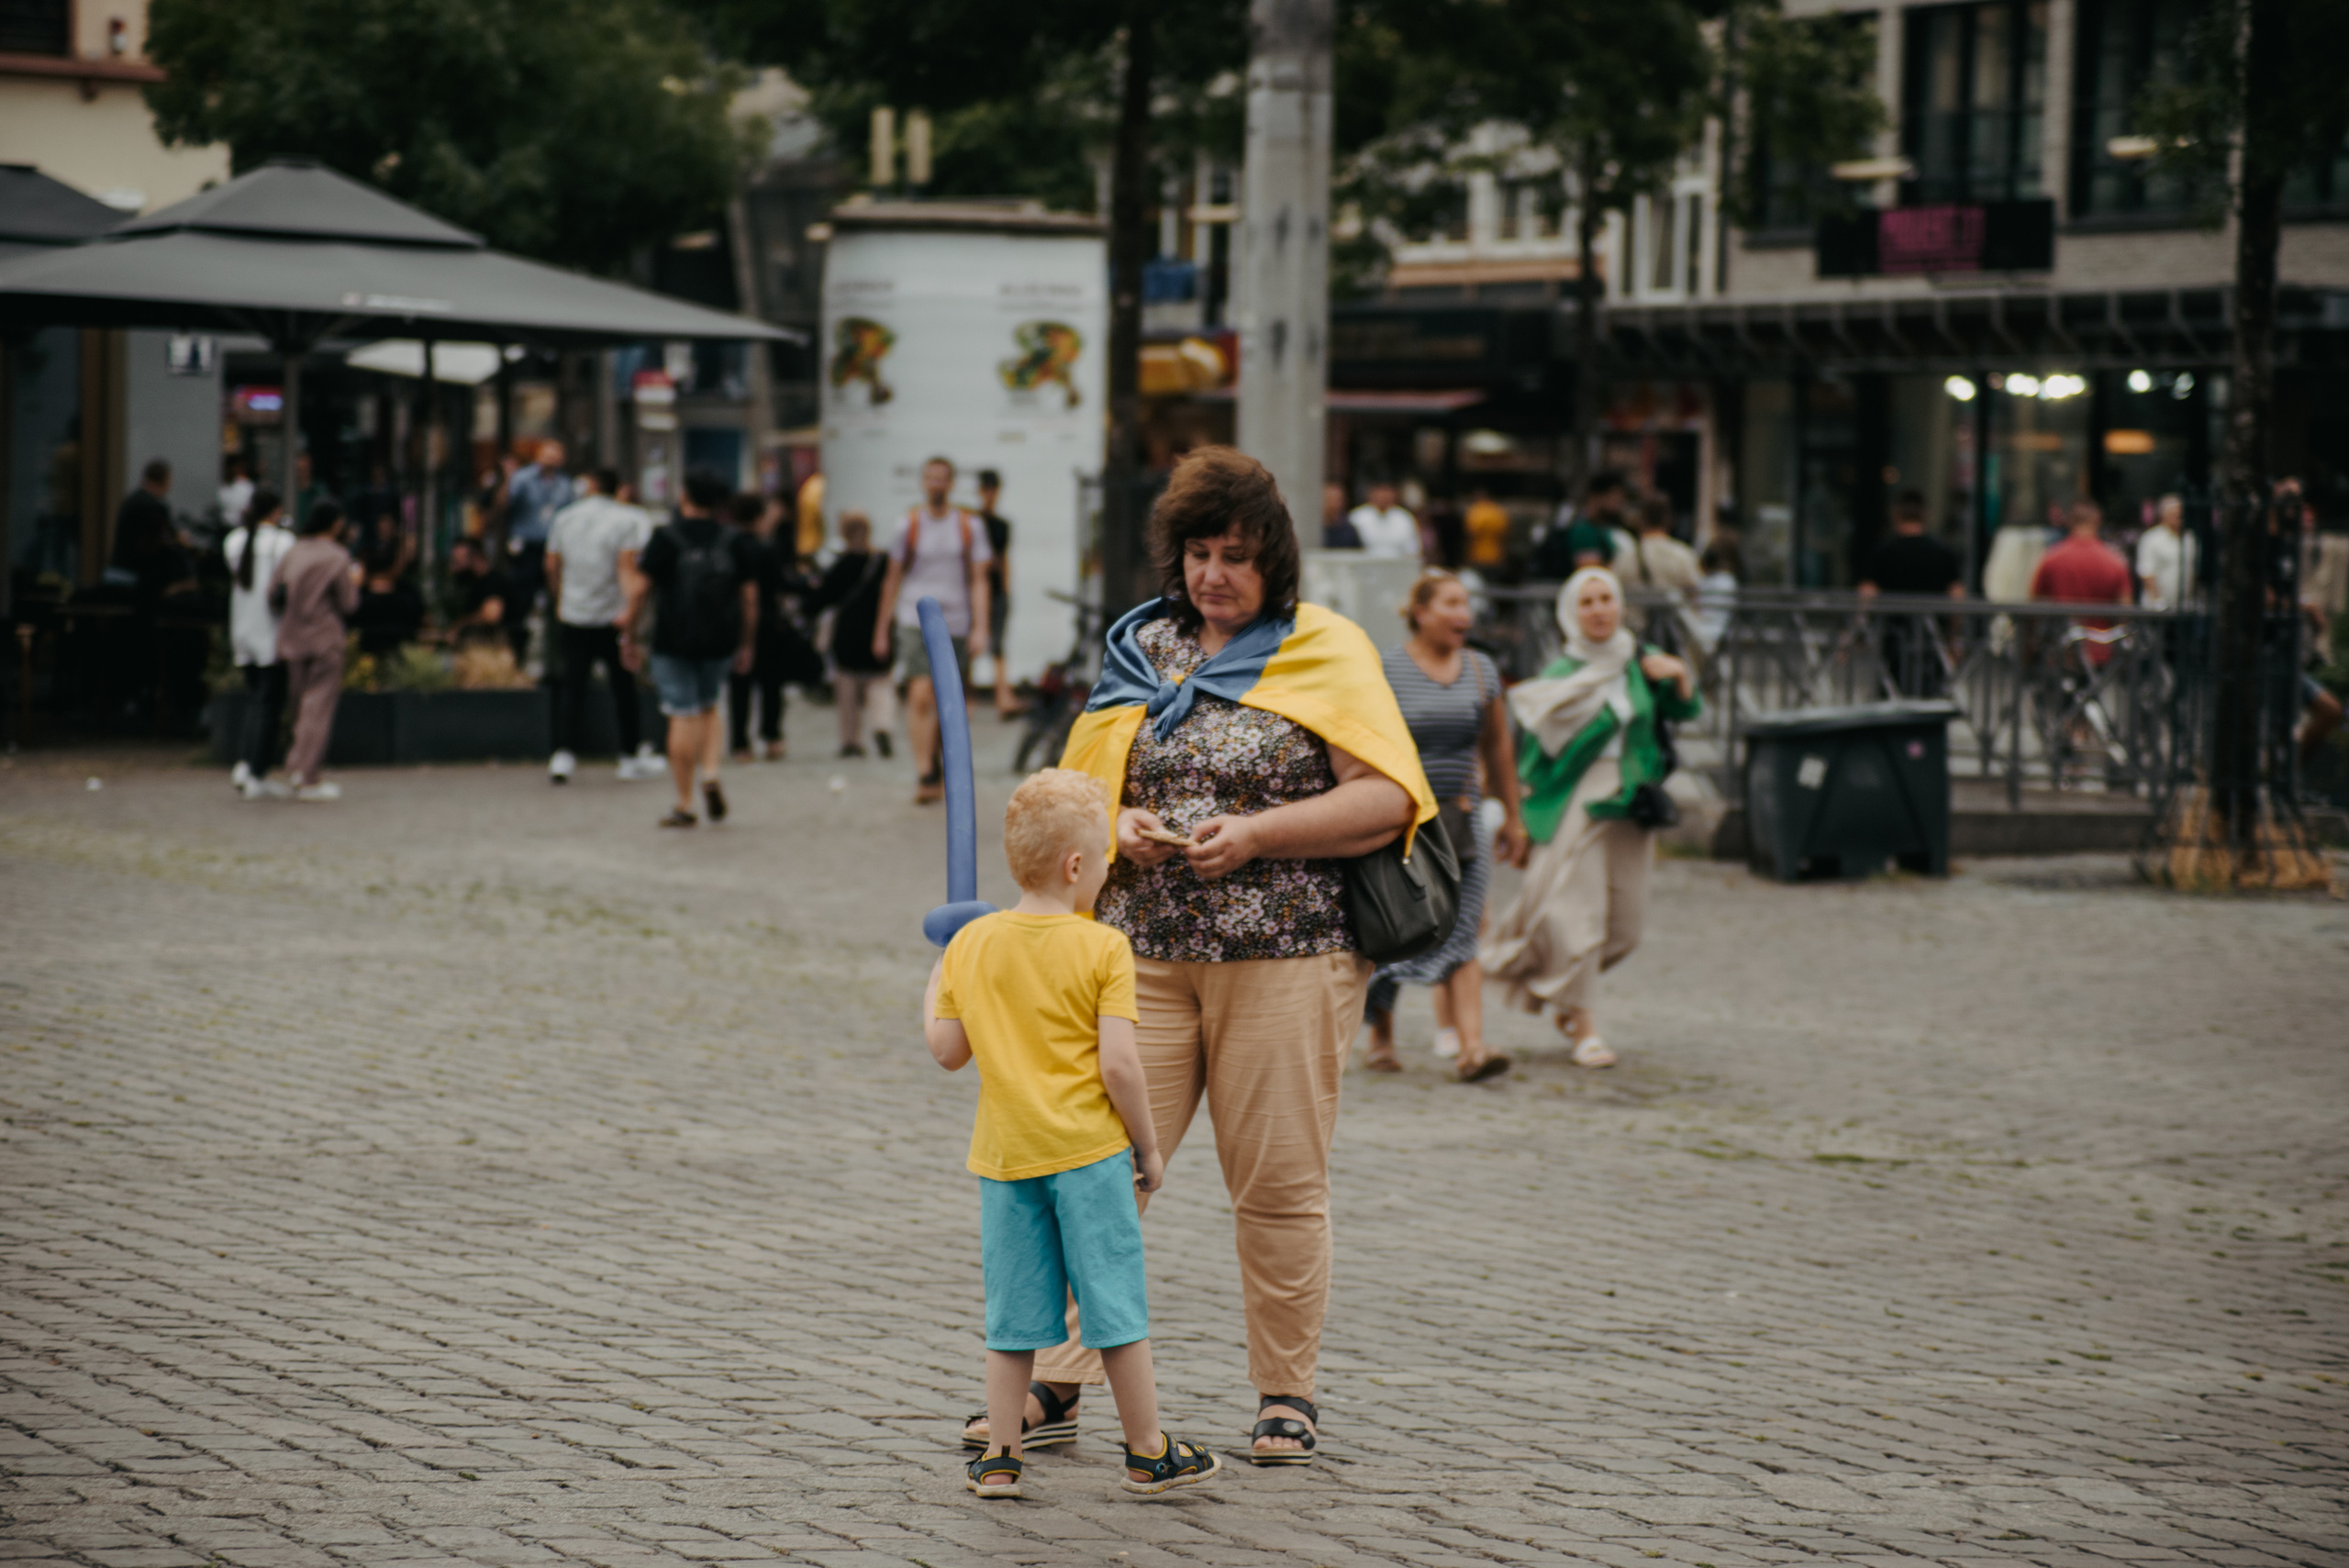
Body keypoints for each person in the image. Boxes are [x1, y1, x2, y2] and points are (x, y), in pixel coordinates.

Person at [975, 446, 1428, 1468]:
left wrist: (1261, 832)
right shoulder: (1140, 648)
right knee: (1094, 1169)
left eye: (1236, 554)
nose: (1213, 573)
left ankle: (1284, 1389)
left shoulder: (1325, 648)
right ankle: (1060, 1374)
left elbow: (1388, 798)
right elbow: (1077, 790)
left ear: (1275, 561)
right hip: (1140, 956)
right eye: (1197, 551)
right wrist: (1120, 819)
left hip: (1287, 954)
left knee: (1275, 1182)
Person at [926, 768, 1222, 1501]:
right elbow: (1120, 1064)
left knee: (1013, 1317)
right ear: (1077, 865)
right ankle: (1148, 1451)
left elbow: (946, 1049)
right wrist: (1147, 1147)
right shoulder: (1103, 948)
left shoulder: (975, 943)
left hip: (1006, 1156)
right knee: (1115, 1308)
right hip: (1089, 1155)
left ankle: (999, 1455)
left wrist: (939, 968)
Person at [1483, 567, 1700, 1069]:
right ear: (1570, 614)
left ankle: (1562, 990)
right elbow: (1536, 757)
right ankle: (1585, 1026)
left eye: (1607, 599)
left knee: (1627, 926)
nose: (1599, 610)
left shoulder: (1636, 663)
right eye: (1587, 602)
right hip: (1576, 802)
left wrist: (1681, 678)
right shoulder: (1561, 677)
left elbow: (1685, 713)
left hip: (1631, 804)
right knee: (1578, 917)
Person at [1362, 570, 1530, 1081]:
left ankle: (1472, 1049)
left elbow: (1498, 745)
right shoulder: (1386, 668)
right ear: (1421, 612)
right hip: (1402, 821)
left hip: (1463, 817)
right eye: (1452, 603)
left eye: (1467, 604)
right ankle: (1381, 1034)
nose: (1464, 614)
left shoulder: (1481, 669)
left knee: (1464, 927)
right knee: (1395, 926)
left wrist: (1513, 818)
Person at [626, 471, 760, 828]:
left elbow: (640, 591)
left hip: (674, 638)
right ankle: (711, 772)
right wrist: (746, 642)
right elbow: (749, 598)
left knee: (681, 714)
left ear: (684, 495)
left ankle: (684, 802)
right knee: (710, 706)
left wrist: (629, 633)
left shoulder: (666, 538)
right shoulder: (733, 540)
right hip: (719, 640)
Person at [873, 455, 993, 804]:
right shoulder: (908, 525)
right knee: (920, 694)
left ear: (951, 483)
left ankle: (936, 762)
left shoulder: (969, 526)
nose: (936, 484)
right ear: (923, 482)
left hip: (955, 623)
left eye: (942, 478)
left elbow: (979, 579)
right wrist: (881, 628)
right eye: (931, 478)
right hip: (915, 620)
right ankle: (924, 769)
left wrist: (981, 627)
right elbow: (892, 577)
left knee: (948, 703)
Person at [546, 467, 656, 783]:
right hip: (613, 615)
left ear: (591, 485)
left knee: (573, 685)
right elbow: (629, 567)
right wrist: (631, 613)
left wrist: (561, 597)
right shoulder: (627, 519)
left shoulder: (564, 517)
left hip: (574, 612)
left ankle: (564, 753)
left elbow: (551, 563)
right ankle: (629, 753)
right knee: (623, 687)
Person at [268, 501, 361, 802]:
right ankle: (306, 774)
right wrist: (356, 583)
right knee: (317, 707)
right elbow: (348, 604)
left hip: (292, 638)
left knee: (299, 705)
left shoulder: (293, 552)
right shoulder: (336, 557)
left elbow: (273, 594)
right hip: (324, 638)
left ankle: (296, 765)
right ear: (335, 524)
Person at [725, 491, 814, 762]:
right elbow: (784, 583)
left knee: (739, 684)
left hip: (734, 622)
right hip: (768, 621)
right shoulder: (766, 548)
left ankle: (740, 743)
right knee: (771, 684)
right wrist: (809, 584)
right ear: (759, 516)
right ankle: (772, 737)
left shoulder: (727, 546)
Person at [1857, 491, 1965, 695]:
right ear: (1925, 515)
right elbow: (1957, 600)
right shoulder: (1942, 553)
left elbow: (1866, 597)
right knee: (1931, 697)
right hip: (1932, 640)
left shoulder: (1883, 552)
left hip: (1893, 639)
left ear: (1896, 515)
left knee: (1892, 696)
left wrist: (1859, 632)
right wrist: (1955, 638)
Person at [223, 488, 294, 797]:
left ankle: (246, 762)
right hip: (271, 631)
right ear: (276, 511)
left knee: (257, 699)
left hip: (242, 628)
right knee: (269, 703)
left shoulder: (235, 541)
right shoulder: (282, 543)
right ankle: (256, 770)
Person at [818, 511, 894, 759]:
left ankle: (851, 740)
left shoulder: (841, 564)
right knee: (880, 682)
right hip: (877, 630)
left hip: (848, 631)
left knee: (847, 686)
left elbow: (823, 597)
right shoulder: (883, 561)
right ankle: (881, 725)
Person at [2031, 499, 2132, 664]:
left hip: (2062, 648)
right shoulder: (2115, 561)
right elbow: (2125, 608)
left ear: (2071, 522)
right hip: (2102, 649)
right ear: (2098, 521)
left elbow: (2035, 604)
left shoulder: (2052, 557)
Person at [501, 439, 573, 667]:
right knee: (520, 602)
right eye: (547, 452)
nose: (552, 458)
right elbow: (506, 505)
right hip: (527, 548)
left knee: (557, 604)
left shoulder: (565, 485)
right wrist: (507, 478)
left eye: (557, 453)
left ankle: (556, 661)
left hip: (554, 549)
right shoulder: (523, 479)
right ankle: (515, 657)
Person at [975, 469, 1020, 717]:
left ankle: (1002, 697)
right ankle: (967, 700)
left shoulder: (1001, 526)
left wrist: (1006, 590)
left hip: (995, 592)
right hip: (976, 592)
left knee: (998, 646)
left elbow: (1003, 560)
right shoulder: (972, 522)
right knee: (972, 646)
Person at [1532, 472, 1628, 579]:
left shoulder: (1606, 528)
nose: (1619, 503)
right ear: (1596, 496)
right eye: (1614, 497)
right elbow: (1591, 576)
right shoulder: (1583, 531)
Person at [350, 543, 426, 658]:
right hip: (403, 663)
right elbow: (426, 624)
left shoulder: (357, 599)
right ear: (394, 565)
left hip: (363, 664)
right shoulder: (408, 597)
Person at [2134, 494, 2199, 611]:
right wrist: (2158, 602)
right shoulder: (2151, 538)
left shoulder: (2190, 539)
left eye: (2180, 514)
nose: (2178, 517)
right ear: (2163, 514)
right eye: (2174, 513)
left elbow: (2193, 570)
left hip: (2184, 608)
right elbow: (2147, 573)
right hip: (2156, 610)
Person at [445, 539, 511, 647]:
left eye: (457, 562)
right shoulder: (477, 585)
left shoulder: (492, 582)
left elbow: (491, 613)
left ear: (475, 559)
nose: (452, 569)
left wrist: (460, 626)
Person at [1347, 480, 1421, 561]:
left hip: (1398, 568)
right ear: (1371, 493)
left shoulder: (1405, 518)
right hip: (1365, 568)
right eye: (1380, 491)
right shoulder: (1357, 517)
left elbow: (1413, 552)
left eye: (1388, 491)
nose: (1384, 496)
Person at [1464, 490, 1510, 571]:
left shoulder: (1476, 512)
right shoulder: (1498, 512)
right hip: (1497, 554)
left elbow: (1470, 533)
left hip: (1478, 554)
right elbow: (1506, 534)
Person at [1320, 482, 1362, 550]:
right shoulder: (1314, 530)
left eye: (1338, 500)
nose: (1334, 504)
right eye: (1330, 500)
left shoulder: (1350, 531)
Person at [217, 456, 254, 529]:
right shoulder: (223, 487)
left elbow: (247, 508)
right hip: (224, 525)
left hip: (240, 526)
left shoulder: (246, 486)